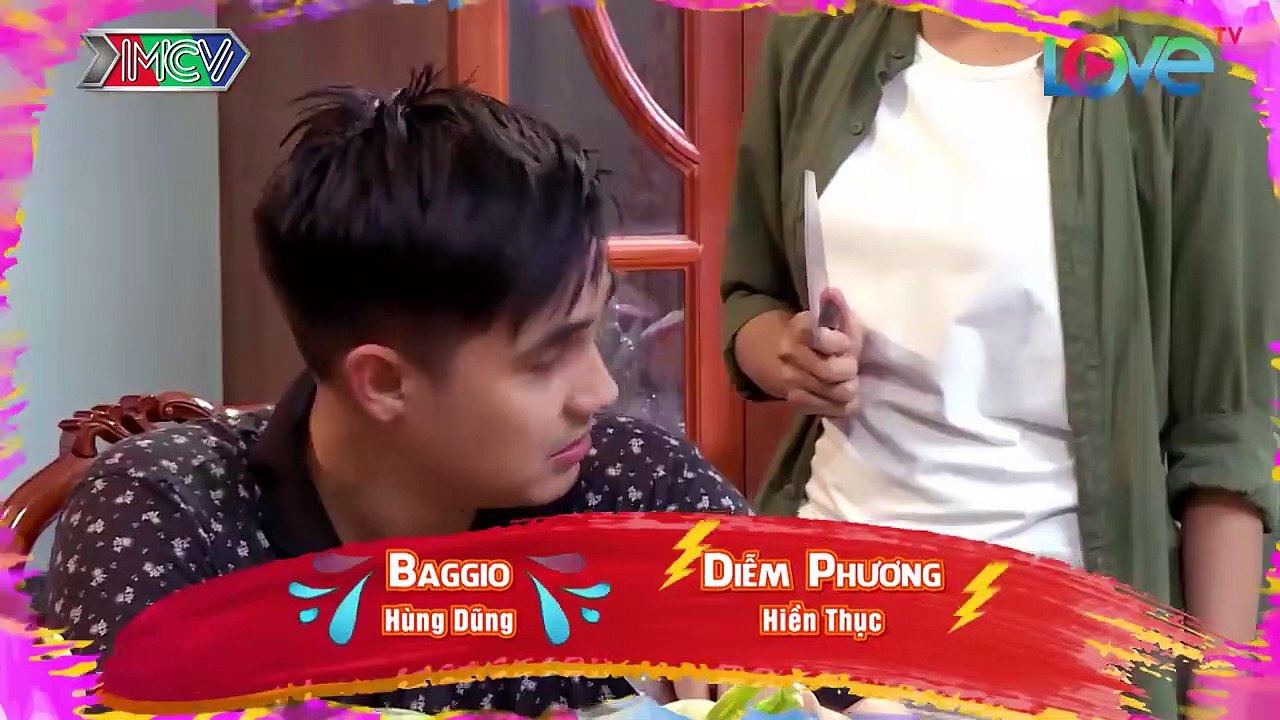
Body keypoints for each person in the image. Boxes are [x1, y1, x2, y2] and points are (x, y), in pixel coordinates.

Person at [45, 67, 749, 716]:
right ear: (384, 383)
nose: (599, 391)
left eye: (594, 333)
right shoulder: (170, 521)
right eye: (546, 358)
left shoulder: (643, 493)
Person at [721, 7, 1277, 719]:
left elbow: (1224, 434)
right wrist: (787, 353)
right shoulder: (815, 34)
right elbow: (752, 297)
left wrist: (1216, 705)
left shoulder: (1185, 65)